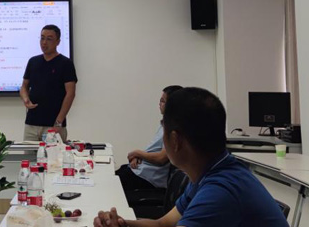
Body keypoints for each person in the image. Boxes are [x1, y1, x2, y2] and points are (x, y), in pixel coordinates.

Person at [95, 87, 289, 227]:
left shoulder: (219, 191)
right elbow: (163, 224)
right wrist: (123, 224)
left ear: (175, 140)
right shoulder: (210, 173)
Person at [116, 85, 183, 191]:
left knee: (111, 183)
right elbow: (154, 150)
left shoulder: (174, 129)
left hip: (148, 178)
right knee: (115, 175)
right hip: (141, 170)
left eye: (163, 101)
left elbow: (161, 158)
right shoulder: (164, 125)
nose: (159, 104)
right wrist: (139, 157)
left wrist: (138, 153)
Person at [20, 24, 77, 141]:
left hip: (53, 125)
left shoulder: (65, 63)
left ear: (58, 42)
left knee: (54, 154)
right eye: (42, 38)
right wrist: (25, 99)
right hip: (31, 124)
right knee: (28, 153)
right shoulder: (33, 61)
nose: (44, 42)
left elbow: (70, 93)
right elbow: (24, 86)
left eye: (49, 39)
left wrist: (58, 122)